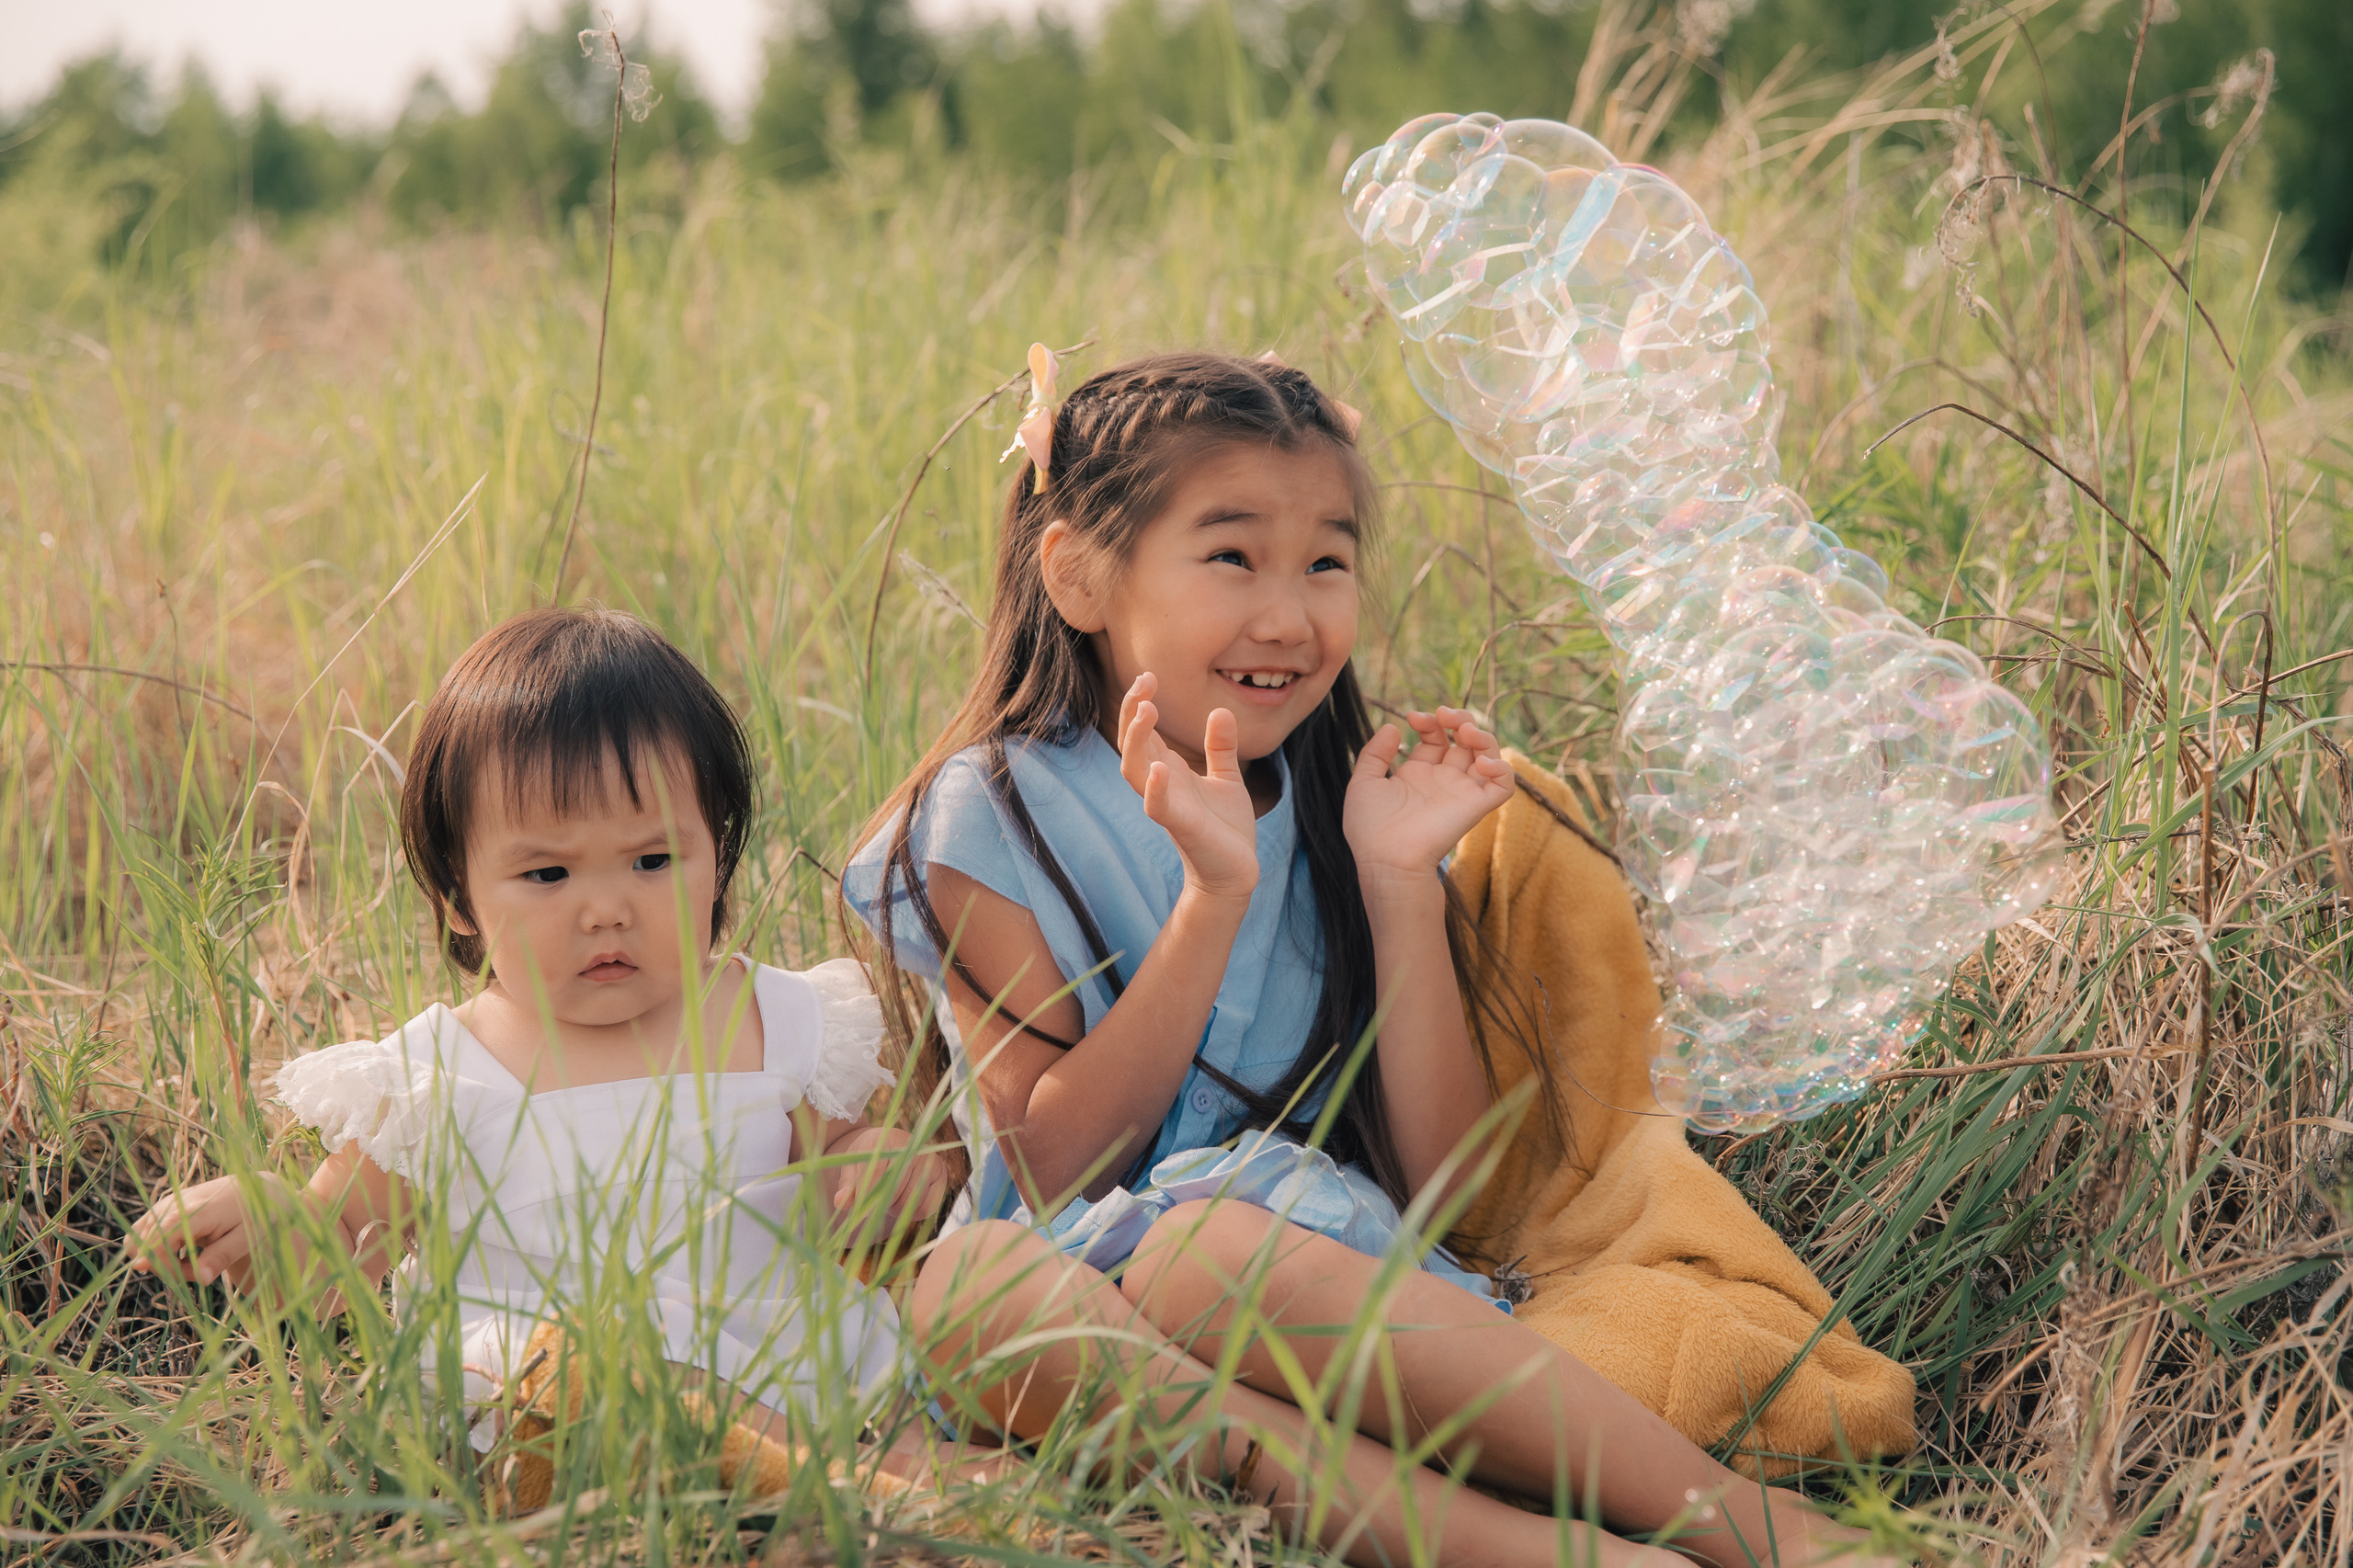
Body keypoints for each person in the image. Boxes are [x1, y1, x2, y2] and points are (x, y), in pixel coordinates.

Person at [845, 350, 1888, 1564]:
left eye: (1326, 562)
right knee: (965, 1287)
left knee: (1206, 1251)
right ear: (1079, 572)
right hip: (1077, 1295)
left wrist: (1398, 884)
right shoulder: (991, 812)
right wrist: (1212, 897)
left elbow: (1446, 1188)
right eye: (1232, 556)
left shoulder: (1347, 798)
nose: (1289, 614)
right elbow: (1053, 1157)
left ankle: (1760, 1529)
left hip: (1299, 1273)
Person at [128, 608, 945, 1467]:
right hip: (557, 1409)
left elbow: (847, 1177)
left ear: (719, 857)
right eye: (547, 874)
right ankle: (843, 1482)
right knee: (552, 1371)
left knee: (884, 1351)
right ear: (456, 896)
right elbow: (338, 1246)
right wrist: (270, 1213)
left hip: (776, 1370)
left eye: (655, 862)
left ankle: (835, 1473)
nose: (607, 907)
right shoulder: (440, 1078)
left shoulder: (775, 1022)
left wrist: (893, 1159)